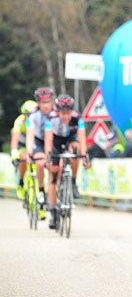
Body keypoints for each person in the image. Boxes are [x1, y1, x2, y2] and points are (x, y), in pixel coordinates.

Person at [44, 94, 89, 229]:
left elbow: (82, 140)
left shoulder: (77, 118)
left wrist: (85, 156)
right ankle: (52, 212)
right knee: (53, 176)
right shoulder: (50, 118)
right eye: (62, 114)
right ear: (57, 112)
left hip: (71, 138)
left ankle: (73, 181)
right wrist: (48, 157)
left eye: (68, 113)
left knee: (75, 151)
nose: (65, 117)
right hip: (56, 142)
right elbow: (48, 140)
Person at [26, 87, 54, 212]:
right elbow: (29, 135)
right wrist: (29, 152)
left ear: (52, 101)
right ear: (38, 103)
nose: (46, 105)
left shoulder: (57, 112)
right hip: (38, 141)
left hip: (53, 141)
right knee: (41, 162)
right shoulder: (32, 115)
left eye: (48, 102)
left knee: (54, 166)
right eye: (43, 102)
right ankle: (41, 189)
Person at [10, 100, 38, 200]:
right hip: (22, 145)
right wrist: (14, 154)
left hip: (34, 144)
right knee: (23, 157)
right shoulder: (19, 121)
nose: (30, 117)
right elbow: (15, 140)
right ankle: (21, 182)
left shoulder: (38, 121)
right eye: (27, 114)